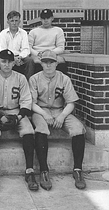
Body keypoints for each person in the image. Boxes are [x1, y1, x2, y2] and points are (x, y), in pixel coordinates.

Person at [29, 50, 86, 191]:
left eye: (51, 62)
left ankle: (78, 169)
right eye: (45, 62)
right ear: (41, 63)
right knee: (41, 128)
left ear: (56, 63)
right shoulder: (34, 79)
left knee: (78, 129)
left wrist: (61, 116)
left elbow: (71, 102)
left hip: (60, 110)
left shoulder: (64, 78)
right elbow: (31, 103)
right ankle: (44, 170)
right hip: (41, 111)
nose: (48, 65)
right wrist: (45, 114)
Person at [0, 49, 39, 192]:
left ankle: (29, 171)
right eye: (3, 61)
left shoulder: (21, 78)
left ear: (14, 63)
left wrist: (19, 117)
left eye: (9, 61)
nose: (7, 64)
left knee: (28, 129)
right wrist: (0, 116)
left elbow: (26, 101)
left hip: (16, 111)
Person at [28, 9, 68, 75]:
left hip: (53, 55)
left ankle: (60, 84)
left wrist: (49, 53)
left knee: (61, 63)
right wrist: (37, 54)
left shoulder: (58, 31)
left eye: (48, 18)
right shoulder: (33, 31)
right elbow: (28, 47)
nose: (45, 20)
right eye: (43, 18)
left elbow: (61, 47)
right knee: (37, 64)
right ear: (40, 19)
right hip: (38, 56)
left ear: (52, 18)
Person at [0, 10, 34, 80]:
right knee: (2, 61)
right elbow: (3, 50)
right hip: (8, 57)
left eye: (16, 21)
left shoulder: (23, 33)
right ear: (8, 22)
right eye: (12, 21)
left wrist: (20, 57)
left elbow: (26, 49)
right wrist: (13, 59)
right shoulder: (3, 33)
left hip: (21, 57)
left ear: (19, 22)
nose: (14, 23)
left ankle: (28, 82)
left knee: (30, 61)